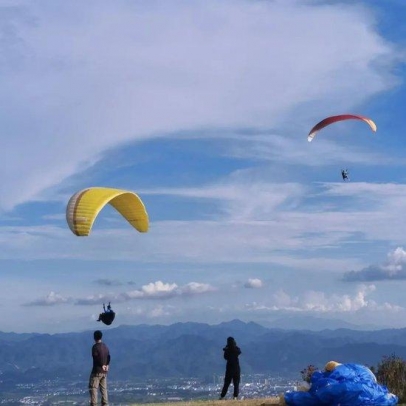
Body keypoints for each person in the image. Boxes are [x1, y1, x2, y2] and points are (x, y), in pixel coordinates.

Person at [89, 330, 110, 406]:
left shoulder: (95, 347)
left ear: (94, 337)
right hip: (104, 372)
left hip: (96, 371)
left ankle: (94, 404)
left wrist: (101, 365)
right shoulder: (105, 347)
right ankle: (105, 404)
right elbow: (108, 356)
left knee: (93, 388)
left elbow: (96, 357)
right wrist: (106, 365)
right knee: (104, 389)